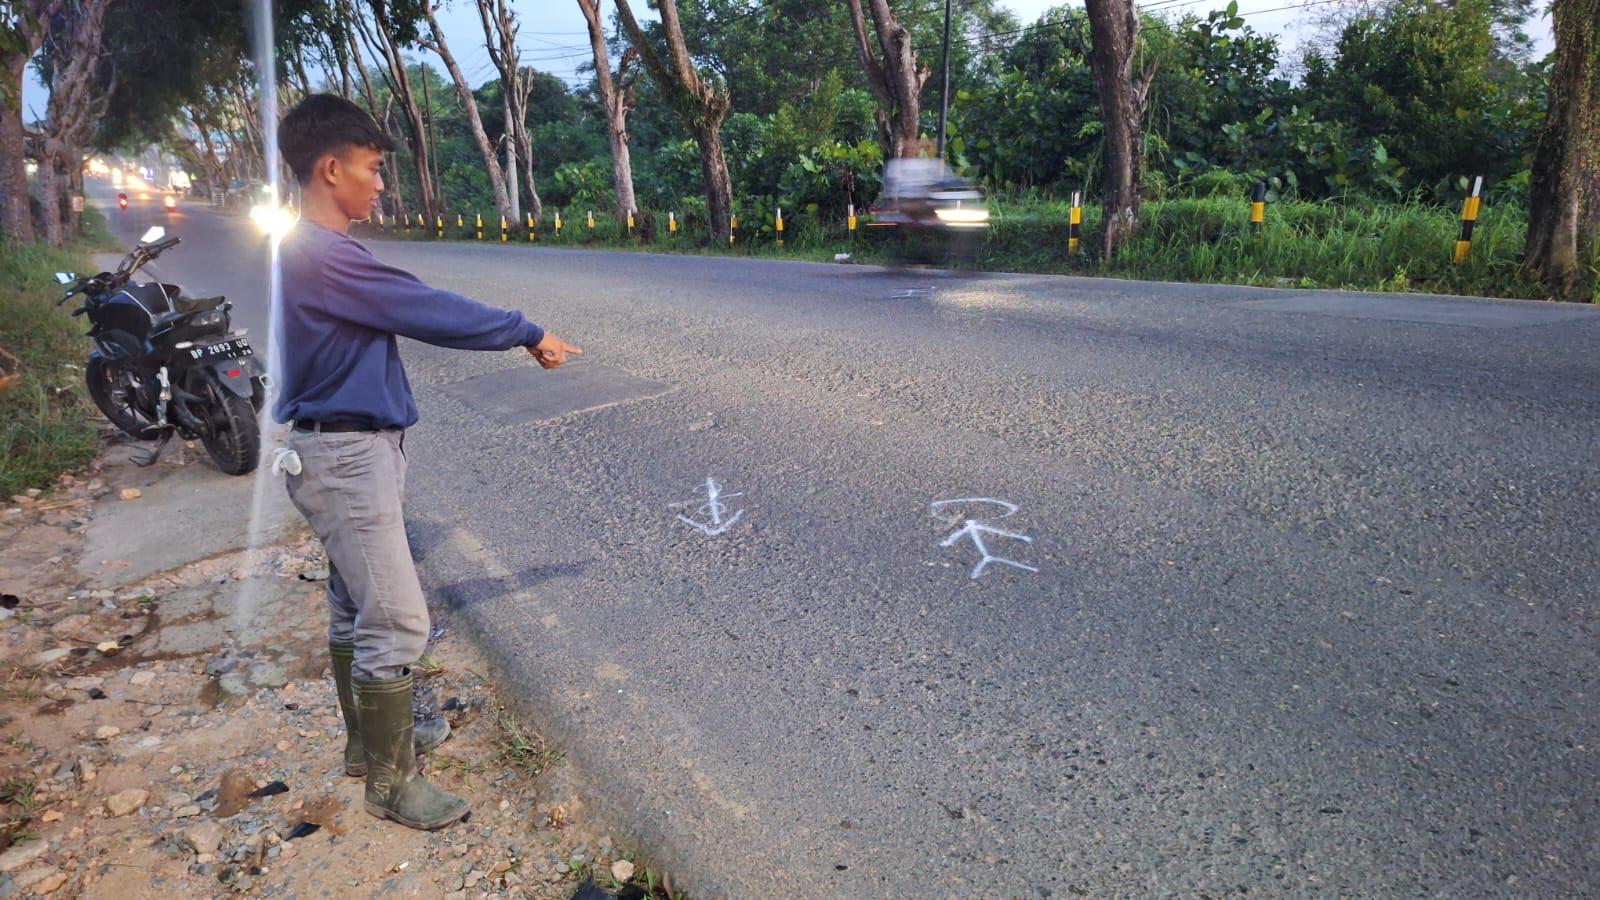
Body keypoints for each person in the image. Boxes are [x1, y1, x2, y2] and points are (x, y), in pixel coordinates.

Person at [274, 94, 582, 831]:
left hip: (337, 448)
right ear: (331, 169)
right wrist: (526, 330)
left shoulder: (304, 249)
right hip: (345, 455)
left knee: (354, 602)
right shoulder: (325, 255)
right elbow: (428, 309)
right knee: (396, 617)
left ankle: (365, 746)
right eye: (373, 170)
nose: (381, 186)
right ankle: (391, 786)